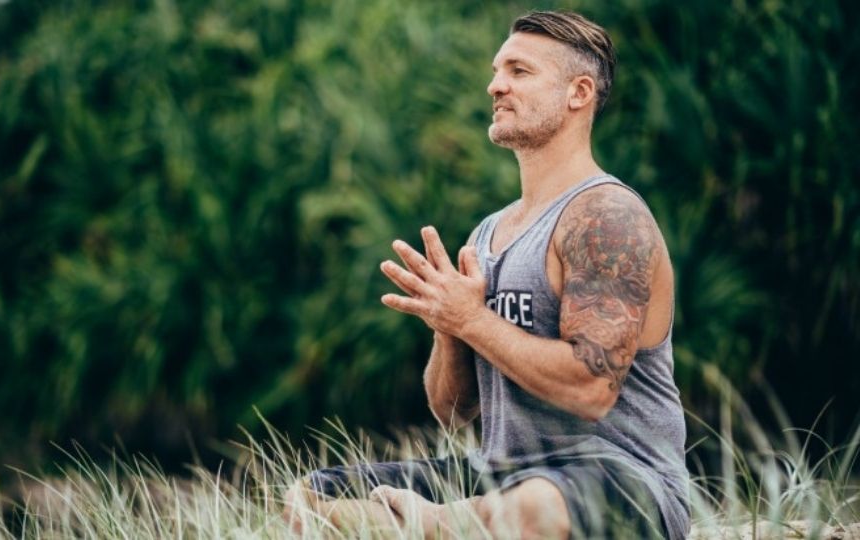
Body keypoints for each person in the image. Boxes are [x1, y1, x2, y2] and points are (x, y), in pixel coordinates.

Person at [284, 10, 690, 539]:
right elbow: (452, 411)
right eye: (497, 71)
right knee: (309, 495)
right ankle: (447, 526)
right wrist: (448, 325)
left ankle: (435, 526)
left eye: (519, 72)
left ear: (578, 93)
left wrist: (473, 320)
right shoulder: (488, 233)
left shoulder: (606, 217)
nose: (495, 85)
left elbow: (592, 387)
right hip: (501, 475)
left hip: (623, 482)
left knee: (538, 506)